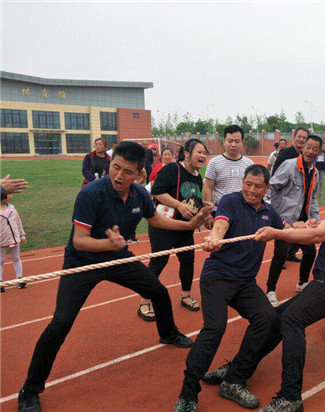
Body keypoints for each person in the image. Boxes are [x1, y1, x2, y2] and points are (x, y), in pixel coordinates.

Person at [17, 142, 204, 412]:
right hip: (81, 262)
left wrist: (189, 224)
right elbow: (80, 241)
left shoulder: (140, 195)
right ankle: (30, 390)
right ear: (109, 164)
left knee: (159, 291)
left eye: (127, 172)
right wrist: (110, 245)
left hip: (116, 257)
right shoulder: (90, 194)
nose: (118, 175)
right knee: (60, 323)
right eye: (115, 167)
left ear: (139, 175)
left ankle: (167, 332)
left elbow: (158, 221)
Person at [197, 170, 325, 412]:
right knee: (276, 318)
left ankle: (290, 397)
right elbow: (323, 230)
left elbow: (318, 235)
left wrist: (277, 233)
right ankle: (238, 369)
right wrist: (308, 225)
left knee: (292, 319)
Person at [173, 165, 287, 412]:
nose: (251, 190)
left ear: (266, 188)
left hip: (245, 282)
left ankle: (234, 378)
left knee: (267, 319)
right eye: (248, 184)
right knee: (215, 327)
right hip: (218, 277)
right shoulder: (230, 201)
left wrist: (306, 228)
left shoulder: (269, 212)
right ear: (243, 182)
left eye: (258, 186)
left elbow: (285, 230)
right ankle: (188, 393)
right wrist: (215, 238)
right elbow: (221, 224)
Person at [140, 139, 212, 321]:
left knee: (188, 261)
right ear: (187, 153)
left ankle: (186, 295)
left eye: (205, 153)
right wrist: (179, 205)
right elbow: (157, 191)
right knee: (159, 261)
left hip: (184, 228)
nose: (203, 156)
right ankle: (144, 301)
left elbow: (190, 197)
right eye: (199, 151)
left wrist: (203, 204)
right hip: (164, 225)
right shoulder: (172, 169)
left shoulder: (196, 176)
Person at [265, 135, 322, 306]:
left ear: (319, 152)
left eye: (315, 149)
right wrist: (270, 213)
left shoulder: (315, 172)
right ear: (303, 148)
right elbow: (272, 186)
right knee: (280, 254)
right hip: (284, 219)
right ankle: (270, 290)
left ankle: (302, 283)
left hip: (302, 222)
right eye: (308, 147)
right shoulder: (290, 166)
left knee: (310, 251)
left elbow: (311, 198)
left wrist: (315, 217)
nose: (310, 151)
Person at [270, 127, 309, 263]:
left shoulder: (306, 155)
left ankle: (290, 254)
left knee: (299, 226)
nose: (301, 139)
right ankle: (280, 257)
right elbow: (276, 174)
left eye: (304, 137)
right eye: (299, 136)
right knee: (283, 227)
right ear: (294, 137)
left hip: (300, 196)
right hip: (285, 195)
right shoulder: (286, 153)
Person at [203, 125, 254, 219]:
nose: (233, 145)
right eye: (230, 141)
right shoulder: (214, 163)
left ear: (242, 142)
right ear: (224, 142)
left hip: (244, 211)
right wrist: (207, 214)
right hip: (220, 211)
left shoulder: (249, 164)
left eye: (237, 141)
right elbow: (208, 188)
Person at [0, 188, 26, 293]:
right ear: (2, 197)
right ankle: (1, 282)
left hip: (14, 238)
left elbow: (18, 222)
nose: (11, 196)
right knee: (0, 260)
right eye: (9, 194)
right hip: (1, 240)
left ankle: (20, 278)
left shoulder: (12, 208)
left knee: (16, 258)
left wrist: (22, 235)